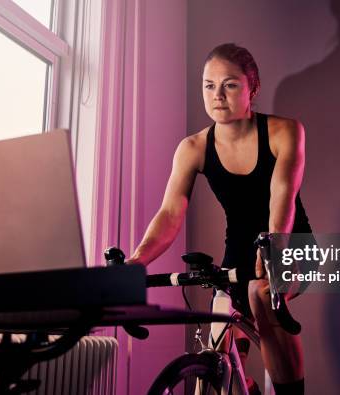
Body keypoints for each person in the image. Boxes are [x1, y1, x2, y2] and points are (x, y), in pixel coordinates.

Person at [128, 43, 311, 394]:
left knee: (260, 294)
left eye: (229, 84)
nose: (217, 95)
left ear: (252, 89)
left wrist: (276, 247)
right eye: (209, 85)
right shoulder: (193, 148)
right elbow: (170, 212)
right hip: (237, 257)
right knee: (218, 349)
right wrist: (137, 260)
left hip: (289, 244)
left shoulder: (284, 132)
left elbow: (282, 195)